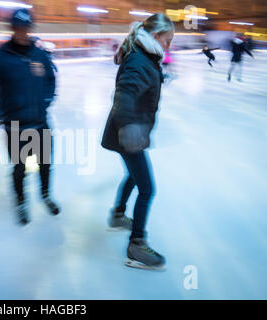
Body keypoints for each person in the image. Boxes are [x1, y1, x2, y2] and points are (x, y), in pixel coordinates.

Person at [101, 13, 174, 270]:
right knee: (147, 188)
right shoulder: (139, 60)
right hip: (128, 134)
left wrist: (161, 79)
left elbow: (140, 83)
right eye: (168, 40)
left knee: (134, 177)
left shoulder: (146, 57)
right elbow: (124, 96)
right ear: (155, 37)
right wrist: (130, 128)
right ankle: (136, 246)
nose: (169, 45)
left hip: (131, 132)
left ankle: (118, 215)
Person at [0, 8, 59, 225]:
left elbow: (51, 80)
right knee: (20, 168)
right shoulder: (0, 57)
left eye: (26, 27)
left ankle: (45, 195)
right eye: (18, 27)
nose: (22, 32)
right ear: (12, 28)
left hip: (41, 122)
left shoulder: (40, 54)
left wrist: (46, 100)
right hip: (16, 125)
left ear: (30, 28)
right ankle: (21, 201)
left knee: (46, 163)